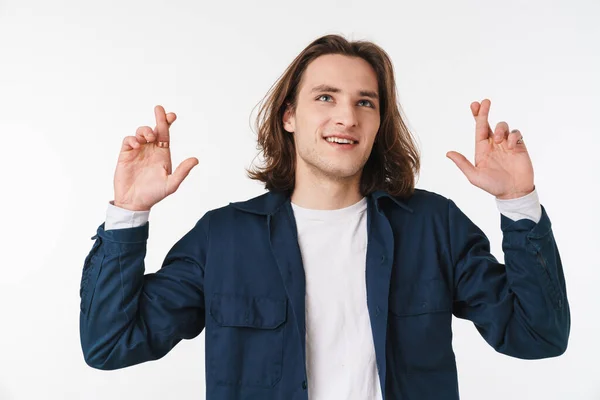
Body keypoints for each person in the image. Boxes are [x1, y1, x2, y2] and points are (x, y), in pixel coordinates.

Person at [79, 34, 570, 400]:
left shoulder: (432, 226)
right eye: (325, 97)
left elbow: (538, 334)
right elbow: (111, 344)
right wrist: (129, 211)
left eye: (365, 103)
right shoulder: (223, 238)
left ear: (379, 123)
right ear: (289, 116)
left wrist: (518, 203)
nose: (347, 117)